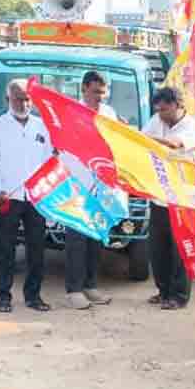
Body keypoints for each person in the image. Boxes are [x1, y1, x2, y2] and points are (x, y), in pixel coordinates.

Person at [0, 79, 54, 313]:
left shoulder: (42, 127)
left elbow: (49, 162)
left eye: (27, 99)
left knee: (36, 249)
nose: (23, 103)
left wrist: (46, 190)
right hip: (7, 196)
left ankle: (33, 296)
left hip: (35, 197)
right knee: (5, 248)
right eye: (18, 99)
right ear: (8, 100)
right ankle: (4, 296)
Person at [142, 87, 195, 310]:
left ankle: (179, 296)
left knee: (179, 250)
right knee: (157, 248)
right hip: (159, 196)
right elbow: (142, 143)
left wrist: (144, 138)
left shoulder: (192, 127)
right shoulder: (155, 120)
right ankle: (163, 291)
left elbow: (173, 144)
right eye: (158, 108)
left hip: (182, 199)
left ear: (178, 105)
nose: (161, 113)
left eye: (165, 108)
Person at [63, 71, 118, 310]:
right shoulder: (71, 111)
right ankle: (74, 290)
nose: (100, 97)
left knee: (95, 238)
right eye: (96, 92)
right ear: (84, 89)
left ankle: (90, 286)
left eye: (103, 93)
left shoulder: (109, 114)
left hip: (102, 187)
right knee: (76, 239)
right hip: (76, 185)